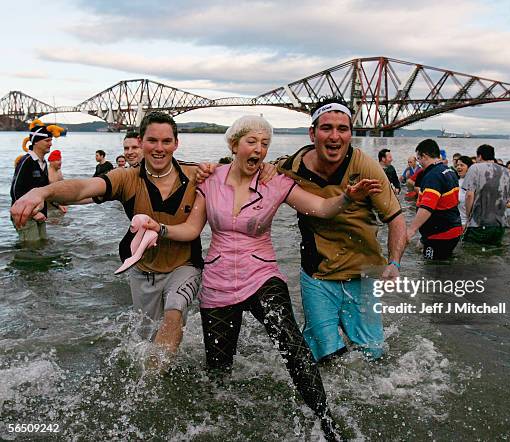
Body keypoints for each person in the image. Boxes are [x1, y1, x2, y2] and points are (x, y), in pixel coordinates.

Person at [144, 115, 379, 440]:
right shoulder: (209, 180)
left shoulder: (276, 182)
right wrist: (160, 228)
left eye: (265, 144)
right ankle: (215, 426)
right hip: (219, 281)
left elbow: (322, 209)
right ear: (235, 145)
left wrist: (348, 197)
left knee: (292, 343)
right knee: (218, 369)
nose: (259, 149)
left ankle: (325, 421)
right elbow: (192, 229)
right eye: (252, 142)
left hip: (262, 272)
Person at [11, 112, 202, 365]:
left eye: (166, 141)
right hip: (143, 270)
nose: (159, 148)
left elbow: (241, 171)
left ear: (176, 144)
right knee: (146, 336)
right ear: (142, 142)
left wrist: (272, 168)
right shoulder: (126, 178)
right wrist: (41, 192)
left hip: (185, 265)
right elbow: (83, 188)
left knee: (174, 314)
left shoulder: (198, 175)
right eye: (152, 140)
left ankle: (154, 383)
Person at [277, 97, 406, 362]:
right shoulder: (291, 168)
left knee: (372, 356)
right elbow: (249, 171)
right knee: (324, 357)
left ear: (350, 134)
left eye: (342, 128)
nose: (335, 136)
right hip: (318, 272)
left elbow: (395, 218)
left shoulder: (365, 167)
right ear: (312, 133)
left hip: (364, 271)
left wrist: (394, 263)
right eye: (326, 128)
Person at [405, 139, 462, 260]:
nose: (419, 163)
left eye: (419, 158)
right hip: (454, 228)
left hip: (440, 234)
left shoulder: (433, 176)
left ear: (425, 156)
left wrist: (411, 230)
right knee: (446, 264)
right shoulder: (449, 171)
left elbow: (427, 207)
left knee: (432, 270)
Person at [10, 120, 66, 241]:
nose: (51, 144)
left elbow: (45, 190)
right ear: (36, 142)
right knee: (31, 249)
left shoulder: (43, 163)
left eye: (51, 140)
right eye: (47, 140)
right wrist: (33, 213)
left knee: (42, 246)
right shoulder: (26, 161)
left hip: (40, 213)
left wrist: (57, 205)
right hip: (25, 215)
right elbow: (15, 191)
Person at [462, 144, 510, 245]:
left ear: (479, 156)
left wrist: (468, 217)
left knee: (471, 253)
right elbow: (507, 198)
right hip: (500, 224)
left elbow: (469, 195)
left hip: (479, 223)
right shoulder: (506, 171)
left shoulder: (475, 168)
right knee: (493, 253)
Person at [47, 150, 68, 214]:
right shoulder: (47, 174)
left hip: (59, 203)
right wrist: (58, 205)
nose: (60, 162)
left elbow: (64, 186)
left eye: (60, 160)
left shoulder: (58, 171)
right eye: (58, 160)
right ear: (51, 161)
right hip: (50, 206)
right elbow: (46, 195)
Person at [455, 155, 473, 225]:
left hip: (468, 222)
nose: (458, 167)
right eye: (457, 165)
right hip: (458, 221)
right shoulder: (456, 181)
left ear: (469, 168)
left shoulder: (473, 182)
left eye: (462, 165)